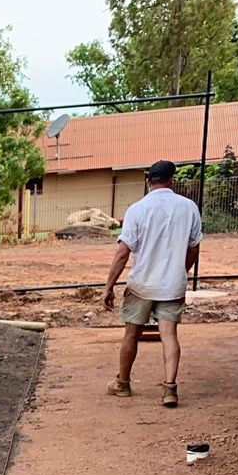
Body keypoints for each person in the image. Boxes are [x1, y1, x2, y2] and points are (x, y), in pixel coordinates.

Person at [102, 159, 203, 408]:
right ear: (171, 180)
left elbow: (122, 253)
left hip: (141, 284)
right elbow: (194, 248)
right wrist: (181, 271)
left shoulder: (137, 209)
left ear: (148, 181)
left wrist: (109, 286)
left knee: (131, 334)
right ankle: (170, 389)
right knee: (169, 335)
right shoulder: (188, 208)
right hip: (172, 284)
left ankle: (123, 383)